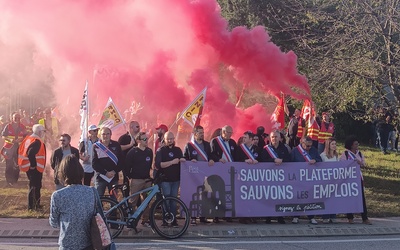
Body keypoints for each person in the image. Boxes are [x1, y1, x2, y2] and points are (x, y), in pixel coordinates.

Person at [49, 154, 106, 250]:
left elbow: (53, 222)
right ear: (80, 172)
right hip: (88, 243)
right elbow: (100, 217)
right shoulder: (92, 191)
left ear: (62, 174)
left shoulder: (58, 195)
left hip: (67, 244)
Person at [183, 125, 215, 225]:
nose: (202, 134)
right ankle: (193, 216)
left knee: (204, 195)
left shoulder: (207, 144)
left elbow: (211, 155)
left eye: (203, 132)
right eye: (200, 132)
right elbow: (184, 158)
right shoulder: (189, 145)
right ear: (195, 133)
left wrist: (211, 159)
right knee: (194, 195)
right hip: (194, 175)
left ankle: (203, 216)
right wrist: (189, 160)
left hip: (205, 174)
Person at [155, 131, 185, 227]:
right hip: (165, 180)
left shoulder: (178, 150)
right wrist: (172, 162)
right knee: (166, 200)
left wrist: (185, 160)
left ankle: (173, 220)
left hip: (176, 180)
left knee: (174, 201)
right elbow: (159, 165)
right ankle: (165, 220)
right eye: (168, 139)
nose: (170, 141)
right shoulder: (161, 151)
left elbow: (182, 160)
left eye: (172, 139)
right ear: (165, 139)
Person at [340, 135, 372, 225]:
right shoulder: (345, 154)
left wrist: (359, 162)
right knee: (349, 198)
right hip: (349, 178)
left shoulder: (360, 153)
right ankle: (350, 217)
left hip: (358, 178)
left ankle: (364, 217)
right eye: (355, 144)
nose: (357, 145)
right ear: (351, 145)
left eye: (358, 144)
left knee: (361, 198)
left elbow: (364, 164)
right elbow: (342, 165)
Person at [260, 131, 290, 224]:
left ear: (280, 138)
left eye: (276, 137)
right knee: (269, 197)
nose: (274, 139)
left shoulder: (284, 148)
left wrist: (282, 160)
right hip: (269, 177)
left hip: (281, 177)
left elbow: (289, 159)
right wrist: (273, 160)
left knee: (280, 197)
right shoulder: (266, 149)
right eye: (272, 137)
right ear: (270, 138)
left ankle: (280, 216)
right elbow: (262, 160)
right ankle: (268, 216)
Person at [290, 136, 322, 224]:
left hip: (310, 178)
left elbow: (320, 160)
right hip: (298, 179)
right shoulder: (295, 151)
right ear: (302, 143)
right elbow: (289, 164)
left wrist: (315, 160)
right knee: (298, 198)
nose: (309, 148)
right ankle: (296, 216)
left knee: (310, 198)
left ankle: (311, 216)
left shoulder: (314, 150)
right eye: (307, 146)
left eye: (310, 146)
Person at [125, 132, 153, 228]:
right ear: (138, 141)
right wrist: (130, 177)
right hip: (136, 180)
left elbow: (150, 165)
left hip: (147, 180)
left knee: (146, 201)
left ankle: (145, 220)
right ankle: (131, 220)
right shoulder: (132, 152)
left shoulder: (149, 151)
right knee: (133, 201)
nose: (147, 141)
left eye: (147, 139)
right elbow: (127, 167)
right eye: (144, 139)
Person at [210, 125, 237, 223]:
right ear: (223, 132)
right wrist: (218, 159)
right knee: (216, 193)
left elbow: (236, 156)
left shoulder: (233, 142)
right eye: (229, 133)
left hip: (229, 172)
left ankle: (227, 214)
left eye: (231, 133)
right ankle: (216, 215)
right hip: (218, 171)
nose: (230, 135)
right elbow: (211, 154)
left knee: (227, 193)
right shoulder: (215, 141)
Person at [18, 124, 46, 210]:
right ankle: (32, 206)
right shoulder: (36, 141)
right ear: (39, 132)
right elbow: (30, 153)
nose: (43, 133)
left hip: (28, 166)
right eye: (43, 131)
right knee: (34, 186)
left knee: (35, 186)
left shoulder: (29, 138)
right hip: (34, 168)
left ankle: (36, 204)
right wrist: (33, 165)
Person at [92, 127, 123, 197]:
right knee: (98, 200)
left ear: (111, 134)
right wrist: (105, 173)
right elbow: (94, 164)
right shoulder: (96, 146)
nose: (105, 136)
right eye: (103, 134)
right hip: (100, 178)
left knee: (114, 199)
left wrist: (115, 171)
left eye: (107, 134)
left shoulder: (116, 145)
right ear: (100, 135)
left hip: (113, 177)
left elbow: (121, 161)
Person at [1, 112, 27, 186]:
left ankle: (15, 180)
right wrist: (10, 140)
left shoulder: (22, 126)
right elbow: (3, 136)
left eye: (18, 117)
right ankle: (8, 181)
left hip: (19, 147)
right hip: (9, 148)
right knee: (9, 164)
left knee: (17, 164)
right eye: (15, 117)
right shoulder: (8, 126)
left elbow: (26, 136)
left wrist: (21, 140)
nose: (17, 119)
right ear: (12, 118)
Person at [118, 121, 141, 197]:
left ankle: (137, 200)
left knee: (137, 182)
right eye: (137, 126)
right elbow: (119, 148)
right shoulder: (124, 137)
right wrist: (130, 145)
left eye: (139, 126)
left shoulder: (140, 137)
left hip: (137, 164)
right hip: (126, 164)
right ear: (131, 127)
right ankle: (126, 199)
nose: (139, 128)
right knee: (126, 182)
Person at [320, 137, 339, 223]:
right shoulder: (323, 156)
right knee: (326, 199)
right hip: (325, 181)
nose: (334, 146)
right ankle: (325, 216)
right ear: (328, 145)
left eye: (335, 144)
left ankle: (333, 215)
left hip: (334, 180)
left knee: (333, 198)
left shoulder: (336, 155)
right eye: (332, 144)